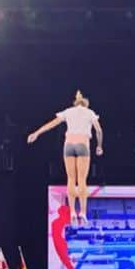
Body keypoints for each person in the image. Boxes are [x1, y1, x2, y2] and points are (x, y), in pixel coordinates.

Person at [27, 90, 104, 225]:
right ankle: (83, 213)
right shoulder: (89, 112)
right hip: (82, 144)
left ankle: (73, 212)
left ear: (75, 103)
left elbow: (52, 124)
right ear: (85, 104)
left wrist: (36, 133)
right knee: (81, 179)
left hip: (68, 144)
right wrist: (99, 146)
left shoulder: (68, 111)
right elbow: (98, 130)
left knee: (71, 178)